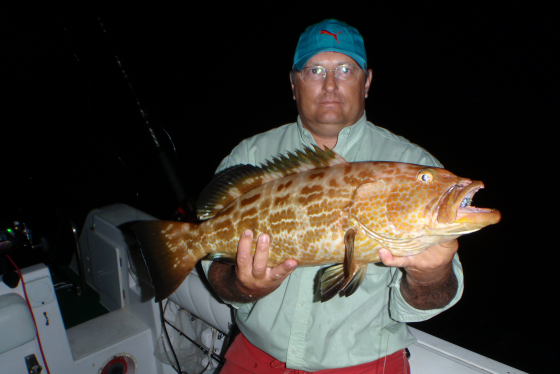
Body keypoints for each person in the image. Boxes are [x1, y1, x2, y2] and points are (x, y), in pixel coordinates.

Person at [204, 19, 463, 374]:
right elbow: (214, 265)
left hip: (368, 364)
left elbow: (435, 297)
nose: (329, 85)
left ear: (367, 80)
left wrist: (430, 276)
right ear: (293, 83)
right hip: (255, 356)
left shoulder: (416, 167)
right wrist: (241, 284)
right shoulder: (250, 156)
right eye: (314, 70)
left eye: (345, 69)